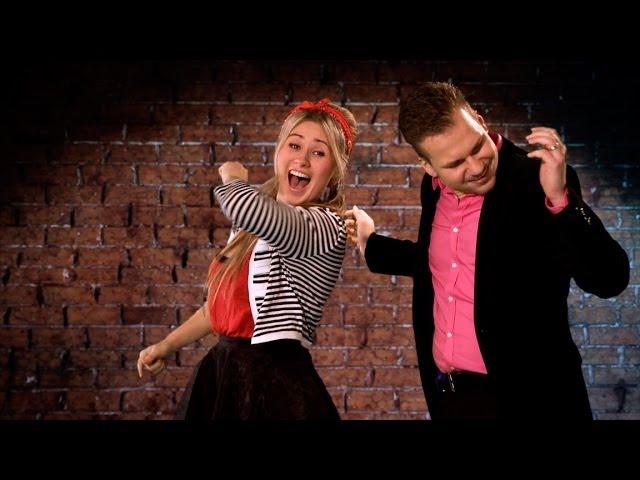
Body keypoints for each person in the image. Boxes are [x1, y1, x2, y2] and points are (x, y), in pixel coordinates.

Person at [347, 82, 629, 420]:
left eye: (477, 146)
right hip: (454, 399)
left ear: (479, 121)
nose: (476, 166)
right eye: (456, 163)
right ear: (428, 166)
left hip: (535, 401)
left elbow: (609, 279)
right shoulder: (433, 189)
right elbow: (445, 260)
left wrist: (560, 200)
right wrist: (370, 242)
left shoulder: (538, 178)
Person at [137, 98, 357, 420]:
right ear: (278, 151)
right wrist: (168, 344)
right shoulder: (251, 226)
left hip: (276, 380)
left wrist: (232, 177)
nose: (302, 159)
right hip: (223, 371)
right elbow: (221, 306)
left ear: (334, 171)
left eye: (318, 152)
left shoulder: (325, 226)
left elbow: (244, 206)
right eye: (295, 145)